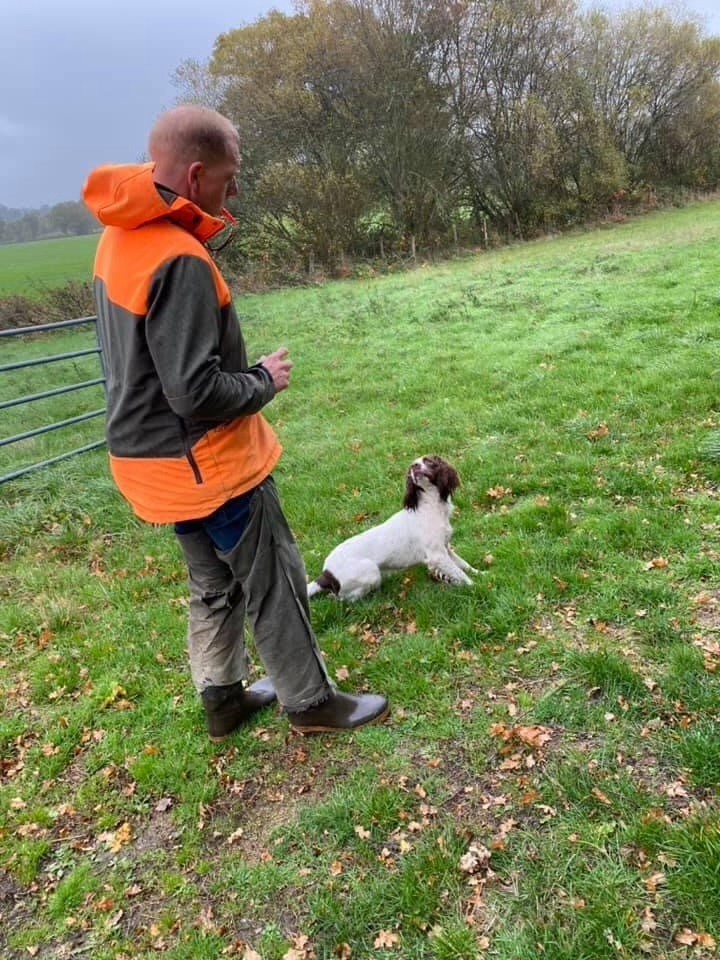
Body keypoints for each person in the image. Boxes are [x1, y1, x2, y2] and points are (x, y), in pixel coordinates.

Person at [82, 104, 389, 741]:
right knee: (273, 577)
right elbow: (194, 390)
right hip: (207, 463)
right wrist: (261, 381)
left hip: (150, 465)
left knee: (212, 583)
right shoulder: (179, 256)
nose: (236, 189)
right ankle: (311, 703)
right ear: (195, 174)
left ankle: (223, 699)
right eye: (230, 175)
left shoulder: (119, 238)